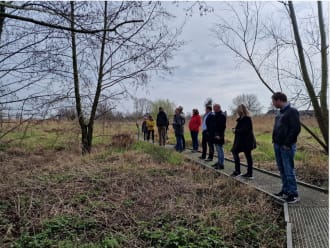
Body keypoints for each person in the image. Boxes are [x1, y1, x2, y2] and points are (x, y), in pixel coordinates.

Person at [272, 92, 301, 204]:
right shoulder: (280, 113)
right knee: (282, 169)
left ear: (279, 100)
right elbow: (278, 128)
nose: (273, 103)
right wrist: (274, 140)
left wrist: (287, 144)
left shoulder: (292, 111)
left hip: (286, 146)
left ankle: (293, 194)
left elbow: (296, 129)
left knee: (288, 170)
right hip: (277, 145)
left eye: (274, 101)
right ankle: (285, 191)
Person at [231, 104, 256, 178]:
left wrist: (236, 130)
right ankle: (238, 171)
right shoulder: (240, 119)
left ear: (242, 110)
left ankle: (249, 173)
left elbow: (245, 130)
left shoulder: (247, 119)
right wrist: (235, 130)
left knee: (248, 156)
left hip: (247, 141)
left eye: (239, 109)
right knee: (234, 152)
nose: (237, 111)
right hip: (240, 141)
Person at [212, 104, 226, 170]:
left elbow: (222, 127)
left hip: (219, 135)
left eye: (214, 108)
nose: (213, 109)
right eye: (213, 108)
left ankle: (221, 164)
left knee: (220, 150)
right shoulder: (216, 115)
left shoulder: (222, 115)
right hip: (215, 134)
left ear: (218, 108)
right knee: (218, 150)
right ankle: (219, 162)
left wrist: (219, 135)